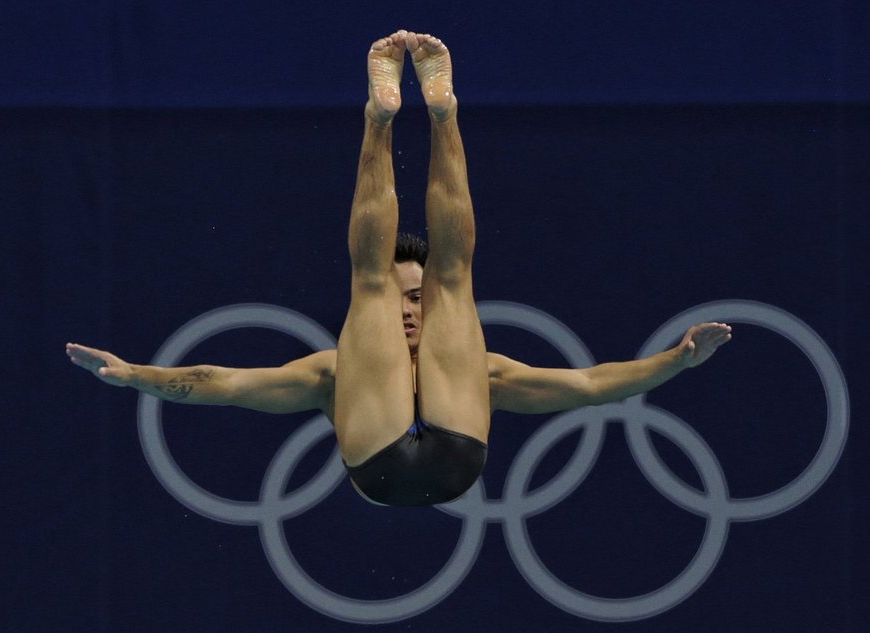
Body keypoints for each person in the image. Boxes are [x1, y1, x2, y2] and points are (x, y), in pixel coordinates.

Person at [66, 30, 732, 507]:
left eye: (415, 302)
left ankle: (414, 115)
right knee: (427, 279)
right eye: (406, 303)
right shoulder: (331, 377)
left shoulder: (466, 374)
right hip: (406, 463)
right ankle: (416, 115)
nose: (411, 310)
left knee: (426, 277)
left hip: (442, 463)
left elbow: (591, 386)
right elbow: (225, 383)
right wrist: (136, 378)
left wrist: (678, 360)